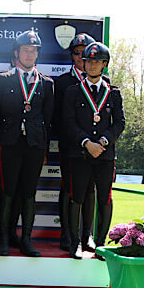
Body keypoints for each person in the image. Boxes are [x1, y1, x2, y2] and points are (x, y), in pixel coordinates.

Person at [0, 30, 54, 257]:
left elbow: (48, 120)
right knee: (7, 192)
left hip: (34, 145)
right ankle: (3, 238)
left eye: (33, 51)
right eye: (25, 50)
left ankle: (26, 240)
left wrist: (44, 148)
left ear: (37, 54)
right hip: (8, 144)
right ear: (17, 53)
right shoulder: (2, 79)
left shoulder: (47, 83)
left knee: (29, 193)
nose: (29, 54)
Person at [64, 42, 125, 259]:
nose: (92, 65)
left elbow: (119, 123)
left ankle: (100, 244)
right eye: (89, 61)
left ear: (104, 64)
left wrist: (103, 141)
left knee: (105, 198)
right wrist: (86, 142)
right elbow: (68, 122)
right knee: (77, 197)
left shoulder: (113, 93)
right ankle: (76, 243)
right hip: (80, 153)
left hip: (105, 155)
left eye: (97, 62)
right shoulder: (73, 92)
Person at [53, 33, 99, 252]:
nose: (81, 57)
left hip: (95, 148)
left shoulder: (104, 83)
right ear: (71, 55)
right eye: (77, 53)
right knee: (68, 188)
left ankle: (87, 235)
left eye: (86, 53)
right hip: (71, 146)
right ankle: (66, 234)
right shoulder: (62, 82)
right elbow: (56, 117)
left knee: (90, 190)